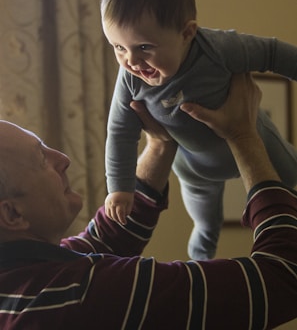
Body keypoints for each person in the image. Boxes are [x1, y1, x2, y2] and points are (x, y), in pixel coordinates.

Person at [0, 73, 296, 329]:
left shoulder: (26, 279)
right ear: (12, 214)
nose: (62, 159)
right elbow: (284, 277)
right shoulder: (83, 295)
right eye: (41, 159)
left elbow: (106, 239)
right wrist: (243, 135)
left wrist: (160, 144)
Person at [101, 0, 297, 259]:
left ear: (186, 33)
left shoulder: (218, 49)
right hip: (195, 168)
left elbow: (272, 52)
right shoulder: (130, 79)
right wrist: (120, 187)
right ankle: (200, 263)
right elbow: (119, 132)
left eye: (144, 47)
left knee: (290, 182)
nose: (131, 61)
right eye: (118, 47)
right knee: (206, 224)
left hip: (257, 141)